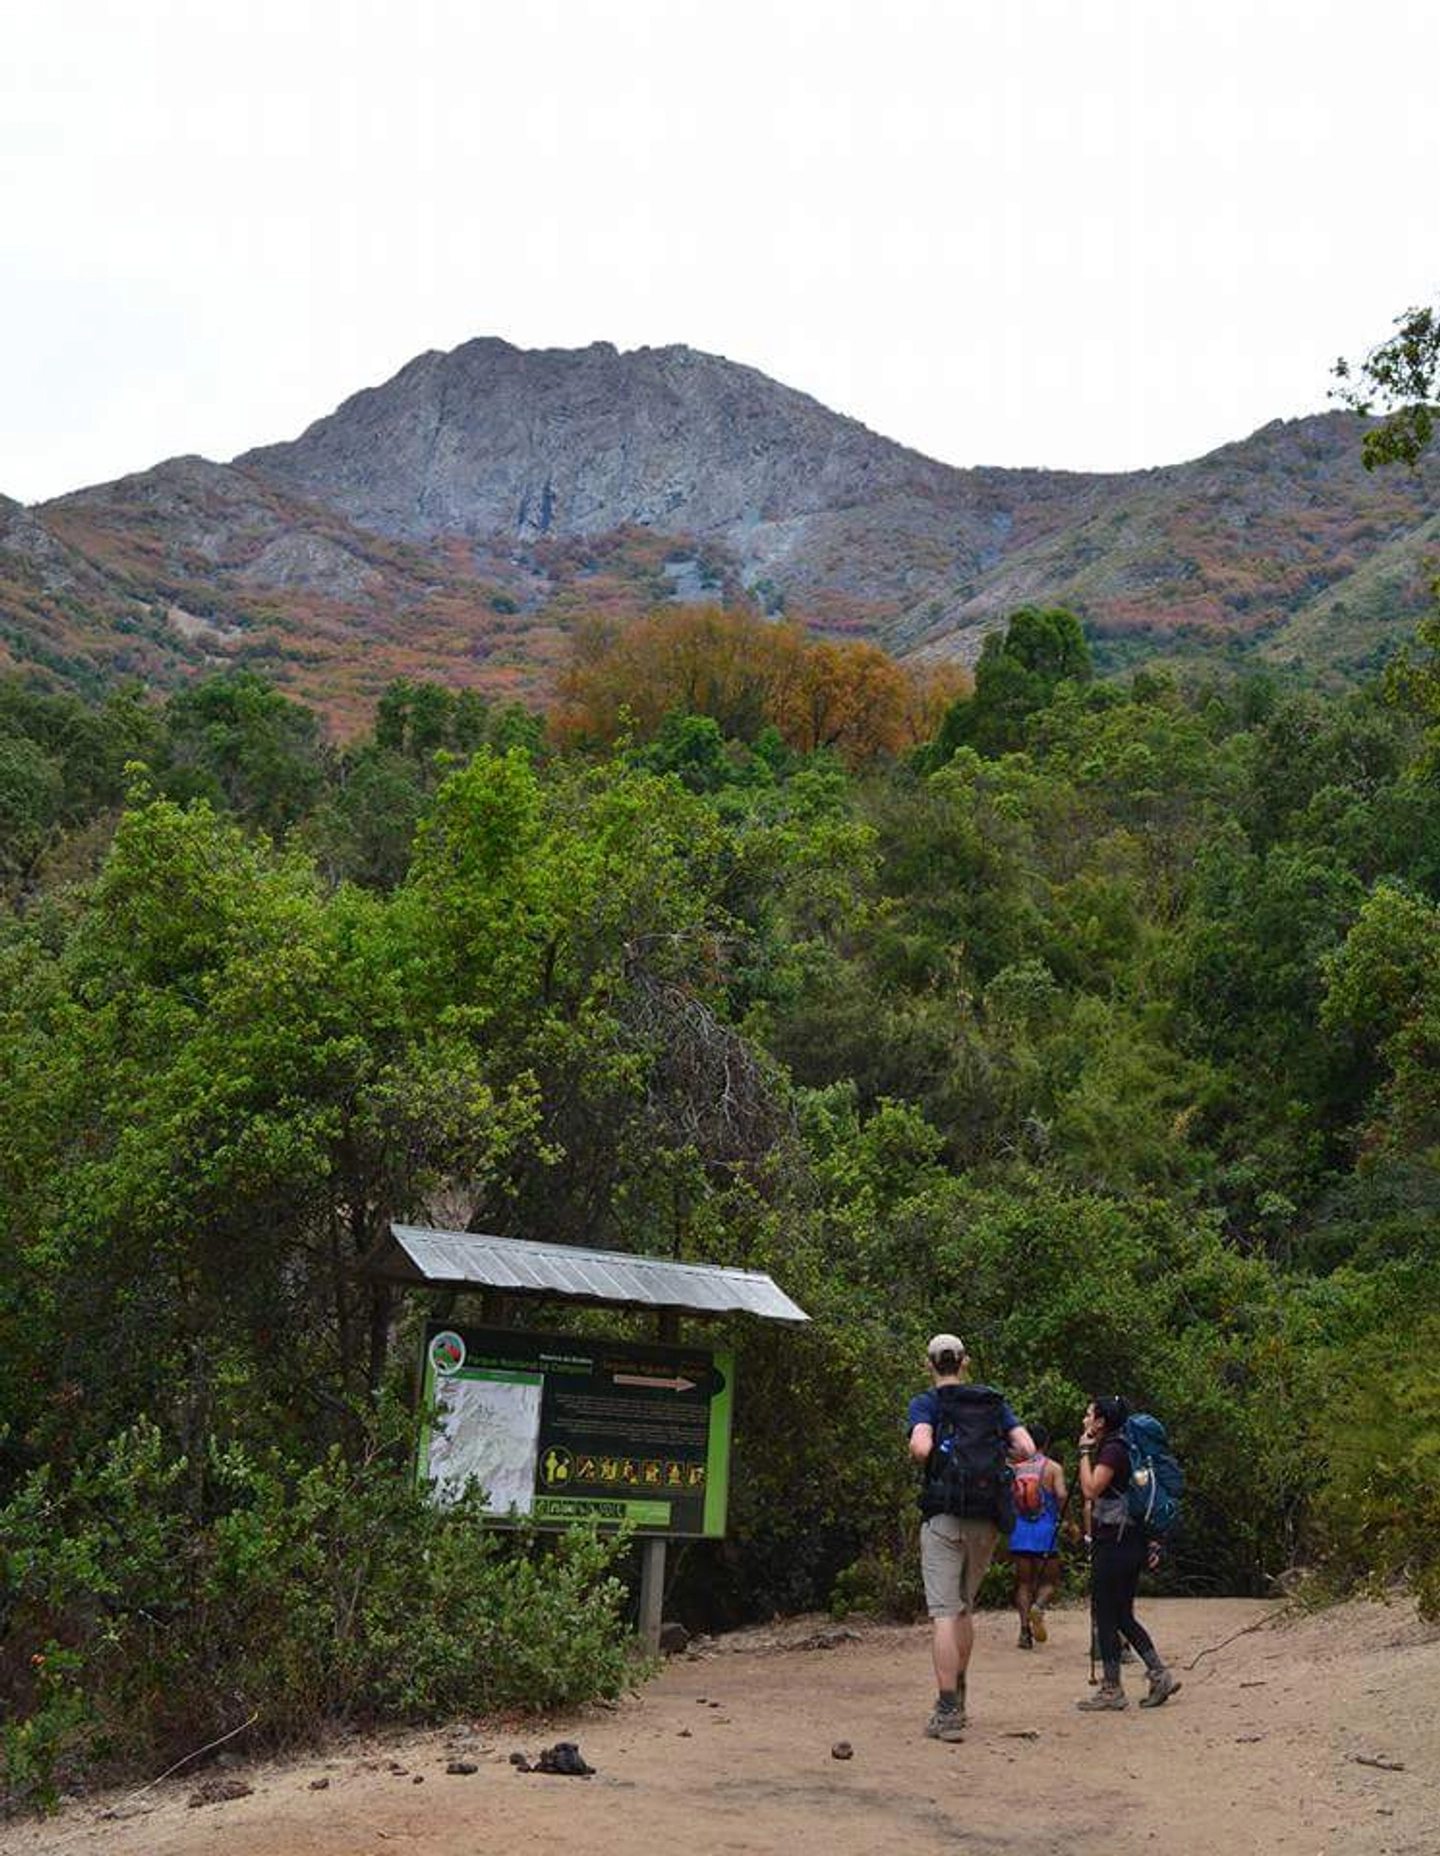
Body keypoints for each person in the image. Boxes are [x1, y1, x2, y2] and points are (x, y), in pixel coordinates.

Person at [908, 1333, 1035, 1742]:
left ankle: (946, 1709)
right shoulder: (992, 1404)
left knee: (944, 1611)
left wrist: (949, 1464)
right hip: (987, 1517)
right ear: (965, 1362)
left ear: (928, 1364)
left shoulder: (927, 1403)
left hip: (945, 1515)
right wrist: (992, 1461)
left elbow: (919, 1447)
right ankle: (960, 1694)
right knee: (965, 1608)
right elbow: (1026, 1447)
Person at [1074, 1396, 1181, 1712]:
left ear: (1101, 1421)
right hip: (1130, 1542)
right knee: (1121, 1615)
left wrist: (1083, 1452)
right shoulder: (1125, 1448)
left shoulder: (1112, 1450)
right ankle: (1158, 1674)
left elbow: (1091, 1489)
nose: (1085, 1419)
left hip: (1114, 1543)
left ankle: (1112, 1690)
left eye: (1089, 1414)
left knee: (1107, 1615)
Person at [1008, 1425, 1066, 1649]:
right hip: (1046, 1533)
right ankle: (1039, 1607)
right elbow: (1061, 1494)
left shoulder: (1015, 1469)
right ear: (1046, 1443)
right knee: (1050, 1582)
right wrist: (1067, 1519)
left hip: (1020, 1533)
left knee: (1023, 1583)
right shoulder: (1053, 1468)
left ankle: (1024, 1632)